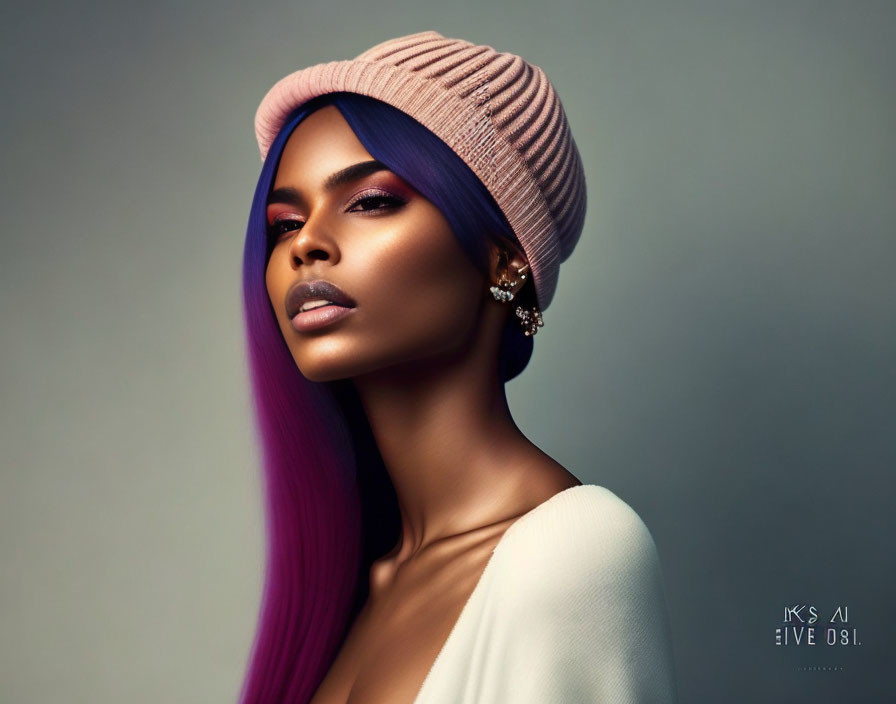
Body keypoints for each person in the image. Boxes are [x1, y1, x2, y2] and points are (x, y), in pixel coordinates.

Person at [238, 30, 679, 703]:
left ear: (505, 257)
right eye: (284, 223)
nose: (307, 246)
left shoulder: (574, 552)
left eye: (371, 202)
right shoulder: (362, 579)